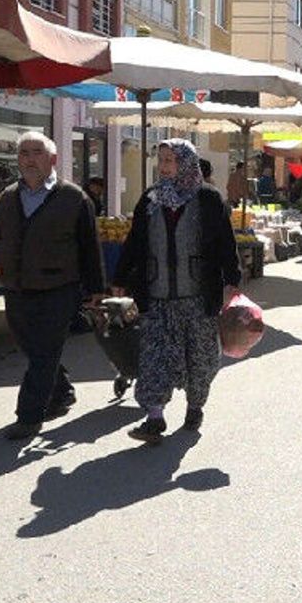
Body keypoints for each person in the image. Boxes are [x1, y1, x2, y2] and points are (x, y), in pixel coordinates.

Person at [0, 132, 105, 440]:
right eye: (24, 153)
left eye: (37, 152)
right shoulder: (7, 198)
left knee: (44, 351)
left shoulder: (74, 198)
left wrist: (96, 289)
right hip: (16, 287)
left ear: (52, 159)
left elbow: (89, 247)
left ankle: (28, 416)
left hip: (59, 287)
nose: (29, 159)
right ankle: (62, 391)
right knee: (32, 348)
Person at [111, 140, 241, 442]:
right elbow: (135, 241)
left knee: (200, 358)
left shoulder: (208, 198)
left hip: (198, 297)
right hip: (157, 296)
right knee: (154, 357)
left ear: (185, 162)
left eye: (170, 160)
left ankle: (195, 405)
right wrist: (120, 276)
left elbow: (225, 241)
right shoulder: (151, 198)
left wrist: (232, 279)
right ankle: (154, 417)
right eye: (162, 160)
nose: (164, 166)